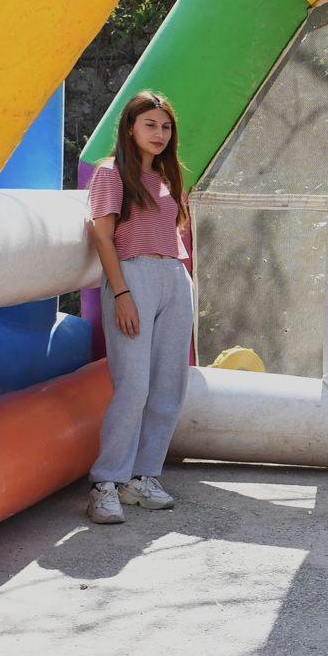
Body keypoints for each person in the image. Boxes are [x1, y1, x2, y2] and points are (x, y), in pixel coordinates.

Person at [85, 90, 194, 526]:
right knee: (133, 385)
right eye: (149, 124)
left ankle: (142, 477)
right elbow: (101, 236)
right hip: (133, 277)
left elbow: (173, 234)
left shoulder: (167, 177)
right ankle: (105, 483)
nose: (159, 133)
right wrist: (122, 294)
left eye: (165, 126)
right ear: (130, 128)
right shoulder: (111, 173)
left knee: (169, 385)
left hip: (174, 278)